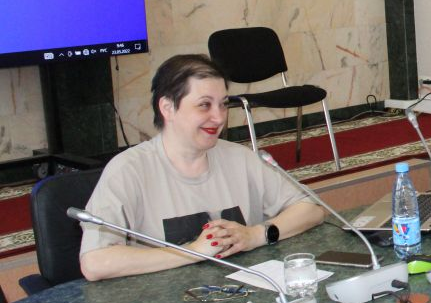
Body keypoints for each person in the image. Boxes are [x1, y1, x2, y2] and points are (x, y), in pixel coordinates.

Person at [80, 54, 326, 280]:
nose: (219, 118)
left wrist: (256, 235)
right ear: (167, 108)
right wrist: (192, 251)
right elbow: (95, 262)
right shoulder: (128, 170)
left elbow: (311, 209)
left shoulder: (240, 158)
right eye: (204, 105)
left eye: (223, 104)